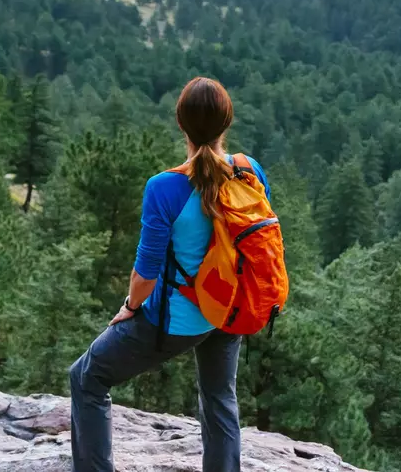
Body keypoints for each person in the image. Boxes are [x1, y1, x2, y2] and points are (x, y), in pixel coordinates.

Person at [69, 77, 271, 472]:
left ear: (182, 125)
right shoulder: (250, 171)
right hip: (230, 310)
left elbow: (146, 273)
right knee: (219, 398)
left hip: (180, 318)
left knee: (87, 378)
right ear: (226, 124)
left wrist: (130, 306)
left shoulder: (165, 187)